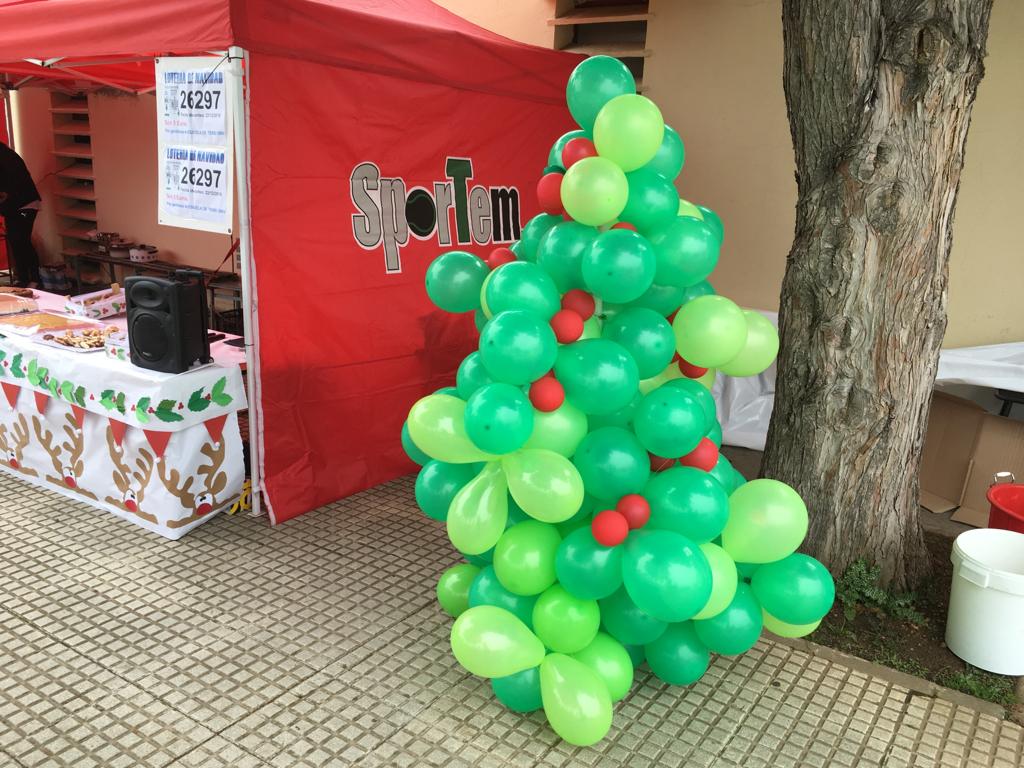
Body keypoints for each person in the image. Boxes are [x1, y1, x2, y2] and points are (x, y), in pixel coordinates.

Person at [0, 141, 42, 287]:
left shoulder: (7, 158)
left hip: (25, 205)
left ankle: (35, 279)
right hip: (15, 206)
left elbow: (13, 184)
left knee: (22, 241)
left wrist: (5, 194)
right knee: (16, 242)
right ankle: (23, 278)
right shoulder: (7, 155)